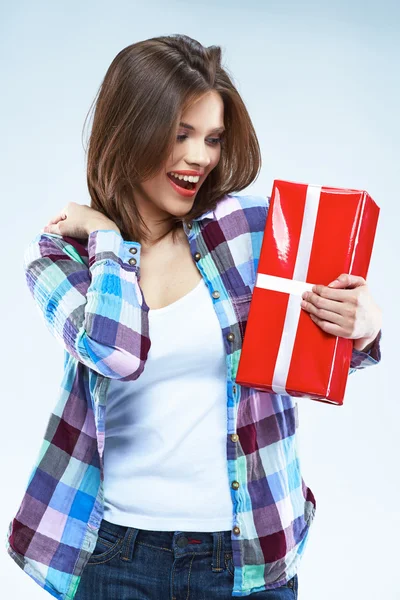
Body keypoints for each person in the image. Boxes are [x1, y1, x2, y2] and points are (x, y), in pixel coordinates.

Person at [5, 34, 382, 600]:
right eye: (180, 134)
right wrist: (110, 236)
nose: (200, 157)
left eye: (211, 138)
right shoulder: (66, 255)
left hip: (249, 554)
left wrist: (364, 326)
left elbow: (312, 358)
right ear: (129, 131)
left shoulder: (250, 230)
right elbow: (116, 350)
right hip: (115, 556)